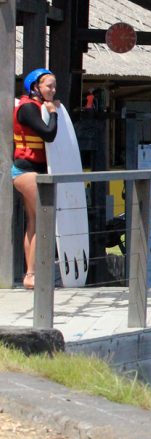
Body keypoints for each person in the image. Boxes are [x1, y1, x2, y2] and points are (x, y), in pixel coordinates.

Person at [12, 68, 61, 289]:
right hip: (27, 171)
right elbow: (49, 134)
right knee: (43, 219)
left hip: (32, 171)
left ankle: (31, 275)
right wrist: (54, 113)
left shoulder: (33, 106)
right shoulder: (29, 108)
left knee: (34, 221)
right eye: (48, 86)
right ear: (35, 87)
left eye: (54, 86)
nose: (52, 90)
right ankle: (32, 274)